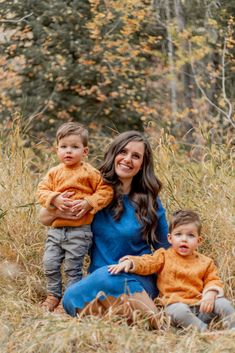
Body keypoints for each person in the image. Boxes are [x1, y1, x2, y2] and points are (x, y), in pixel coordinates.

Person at [39, 130, 170, 326]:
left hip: (136, 279)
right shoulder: (94, 191)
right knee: (70, 298)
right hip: (99, 280)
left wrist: (136, 263)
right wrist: (63, 208)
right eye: (123, 152)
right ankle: (128, 316)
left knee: (110, 276)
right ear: (113, 153)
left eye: (136, 156)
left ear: (142, 164)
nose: (127, 159)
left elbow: (166, 251)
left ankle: (156, 320)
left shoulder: (150, 202)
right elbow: (44, 217)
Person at [109, 210, 235, 332]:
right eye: (178, 234)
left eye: (190, 235)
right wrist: (131, 262)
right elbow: (147, 262)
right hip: (175, 306)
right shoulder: (164, 256)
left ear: (199, 241)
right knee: (179, 311)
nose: (184, 239)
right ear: (170, 238)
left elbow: (213, 280)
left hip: (201, 306)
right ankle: (204, 332)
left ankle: (232, 328)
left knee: (223, 303)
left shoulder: (206, 262)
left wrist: (210, 294)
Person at [36, 122, 113, 312]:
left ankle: (68, 301)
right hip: (56, 229)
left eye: (74, 147)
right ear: (57, 149)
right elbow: (41, 191)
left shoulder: (91, 173)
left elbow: (106, 192)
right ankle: (53, 295)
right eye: (63, 147)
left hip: (79, 231)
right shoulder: (54, 173)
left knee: (73, 268)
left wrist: (89, 202)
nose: (68, 151)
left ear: (85, 151)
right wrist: (54, 198)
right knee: (50, 263)